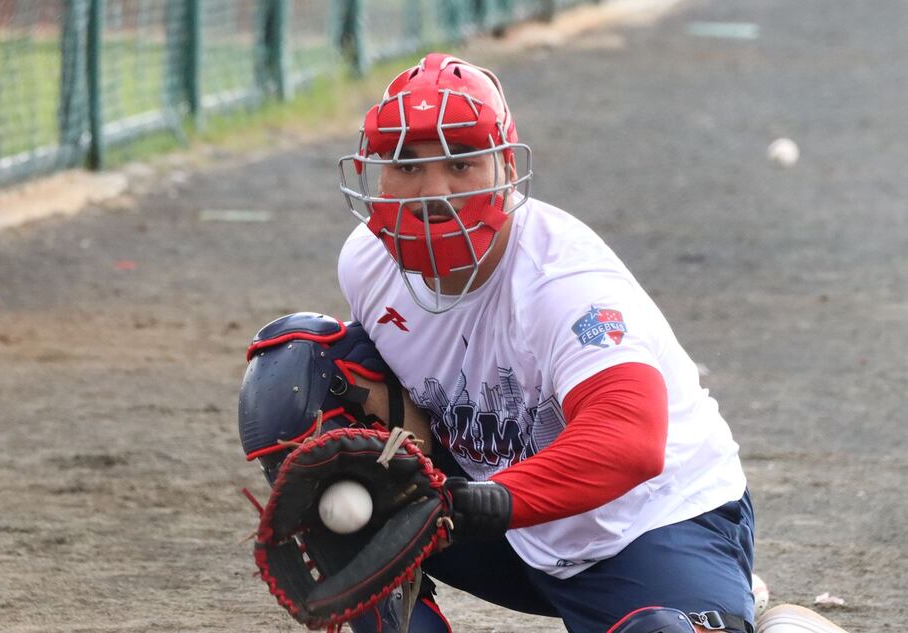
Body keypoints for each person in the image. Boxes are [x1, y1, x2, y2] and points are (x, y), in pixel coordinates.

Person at [329, 53, 852, 633]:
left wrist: (476, 502)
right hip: (502, 521)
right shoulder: (367, 261)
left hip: (643, 526)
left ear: (506, 169)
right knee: (299, 373)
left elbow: (629, 442)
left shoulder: (564, 283)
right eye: (406, 163)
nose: (432, 192)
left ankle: (716, 602)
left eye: (460, 162)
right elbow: (406, 408)